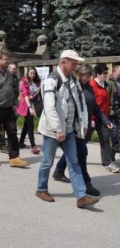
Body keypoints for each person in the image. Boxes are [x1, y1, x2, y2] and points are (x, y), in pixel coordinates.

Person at [36, 50, 99, 208]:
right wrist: (58, 129)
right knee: (47, 162)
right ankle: (41, 189)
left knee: (74, 162)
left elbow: (81, 104)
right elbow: (49, 107)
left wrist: (83, 124)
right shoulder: (51, 81)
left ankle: (81, 195)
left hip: (70, 130)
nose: (76, 66)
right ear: (64, 62)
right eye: (73, 63)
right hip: (53, 132)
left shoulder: (74, 81)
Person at [53, 63, 111, 196]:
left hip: (84, 127)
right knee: (82, 154)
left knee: (74, 152)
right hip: (73, 127)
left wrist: (105, 120)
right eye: (84, 75)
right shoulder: (73, 86)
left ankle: (59, 170)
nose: (86, 77)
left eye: (88, 75)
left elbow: (95, 106)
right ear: (78, 74)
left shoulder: (89, 87)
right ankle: (86, 183)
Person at [0, 49, 29, 167]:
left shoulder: (8, 73)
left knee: (12, 133)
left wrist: (14, 103)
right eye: (5, 59)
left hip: (8, 108)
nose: (8, 61)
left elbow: (11, 90)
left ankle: (14, 157)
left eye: (8, 59)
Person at [89, 64, 119, 172]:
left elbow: (105, 102)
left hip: (103, 118)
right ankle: (65, 163)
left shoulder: (105, 84)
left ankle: (107, 163)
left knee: (105, 139)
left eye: (107, 73)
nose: (106, 75)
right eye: (104, 73)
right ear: (98, 74)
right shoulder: (91, 85)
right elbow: (90, 104)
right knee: (83, 141)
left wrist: (106, 119)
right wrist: (91, 118)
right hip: (92, 118)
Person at [16, 66, 41, 154]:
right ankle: (33, 145)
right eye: (31, 73)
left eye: (34, 73)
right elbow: (25, 95)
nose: (32, 75)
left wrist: (33, 97)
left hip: (33, 104)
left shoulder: (36, 82)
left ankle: (21, 142)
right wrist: (30, 107)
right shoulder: (24, 82)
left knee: (26, 125)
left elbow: (36, 93)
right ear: (28, 73)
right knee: (30, 125)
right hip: (26, 105)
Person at [107, 64, 120, 155]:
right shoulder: (110, 82)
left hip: (118, 110)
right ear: (115, 71)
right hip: (113, 111)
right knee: (114, 134)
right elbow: (107, 97)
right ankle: (111, 157)